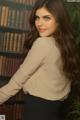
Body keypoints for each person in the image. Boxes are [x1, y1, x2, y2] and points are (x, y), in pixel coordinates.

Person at [0, 0, 79, 120]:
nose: (39, 24)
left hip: (37, 108)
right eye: (37, 18)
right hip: (55, 109)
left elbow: (19, 79)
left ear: (59, 20)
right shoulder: (66, 44)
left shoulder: (43, 43)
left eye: (46, 18)